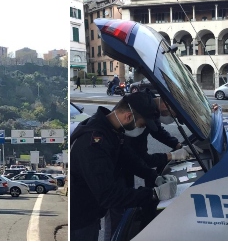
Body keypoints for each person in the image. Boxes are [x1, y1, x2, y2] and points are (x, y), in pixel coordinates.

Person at [70, 93, 179, 241]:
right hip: (81, 218)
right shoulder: (94, 143)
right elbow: (108, 195)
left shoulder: (111, 129)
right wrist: (153, 194)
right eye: (142, 125)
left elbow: (130, 160)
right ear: (128, 117)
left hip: (92, 212)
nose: (141, 128)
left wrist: (155, 177)